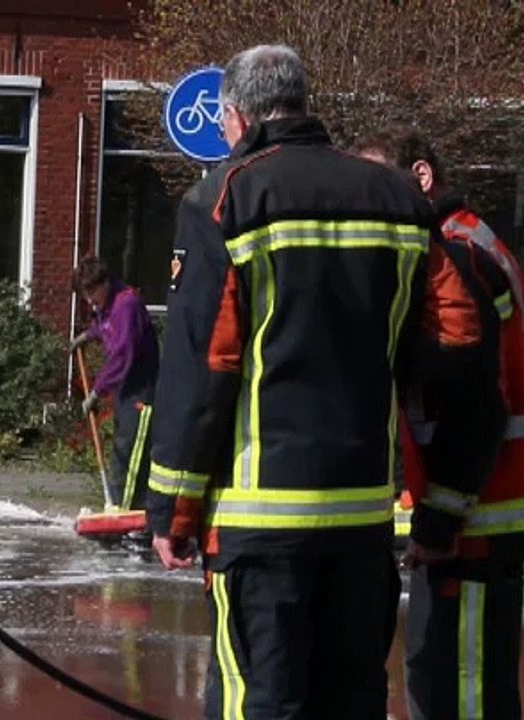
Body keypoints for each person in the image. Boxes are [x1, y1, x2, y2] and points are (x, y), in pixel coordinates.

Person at [145, 45, 502, 719]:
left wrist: (171, 507)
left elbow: (202, 365)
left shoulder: (224, 196)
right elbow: (458, 337)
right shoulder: (396, 197)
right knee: (350, 702)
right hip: (363, 516)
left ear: (235, 115)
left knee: (261, 702)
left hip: (257, 521)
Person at [355, 126, 523, 720]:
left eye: (379, 184)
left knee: (462, 687)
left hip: (475, 516)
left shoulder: (455, 255)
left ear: (420, 178)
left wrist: (440, 514)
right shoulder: (469, 240)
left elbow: (475, 398)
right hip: (478, 508)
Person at [71, 256, 159, 511]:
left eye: (92, 292)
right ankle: (119, 506)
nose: (89, 300)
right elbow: (107, 327)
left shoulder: (127, 304)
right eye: (85, 293)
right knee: (120, 451)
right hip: (126, 392)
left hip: (142, 391)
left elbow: (123, 352)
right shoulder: (108, 305)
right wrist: (88, 335)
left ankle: (125, 511)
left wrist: (97, 391)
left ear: (105, 283)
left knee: (132, 455)